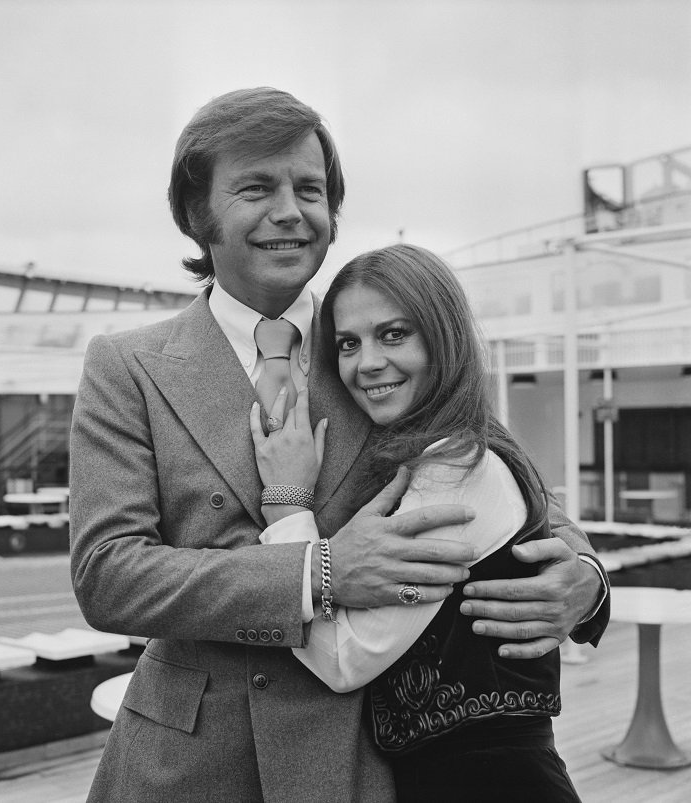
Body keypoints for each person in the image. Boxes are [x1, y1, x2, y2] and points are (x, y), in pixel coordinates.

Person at [69, 87, 608, 802]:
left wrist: (585, 577)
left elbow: (497, 470)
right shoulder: (126, 365)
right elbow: (108, 573)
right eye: (257, 187)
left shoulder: (382, 353)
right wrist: (317, 572)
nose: (290, 210)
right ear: (199, 214)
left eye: (310, 189)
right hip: (184, 766)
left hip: (357, 765)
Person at [252, 244, 592, 801]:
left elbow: (344, 659)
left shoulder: (454, 469)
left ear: (443, 337)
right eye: (348, 343)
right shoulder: (450, 449)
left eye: (393, 334)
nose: (366, 364)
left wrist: (288, 511)